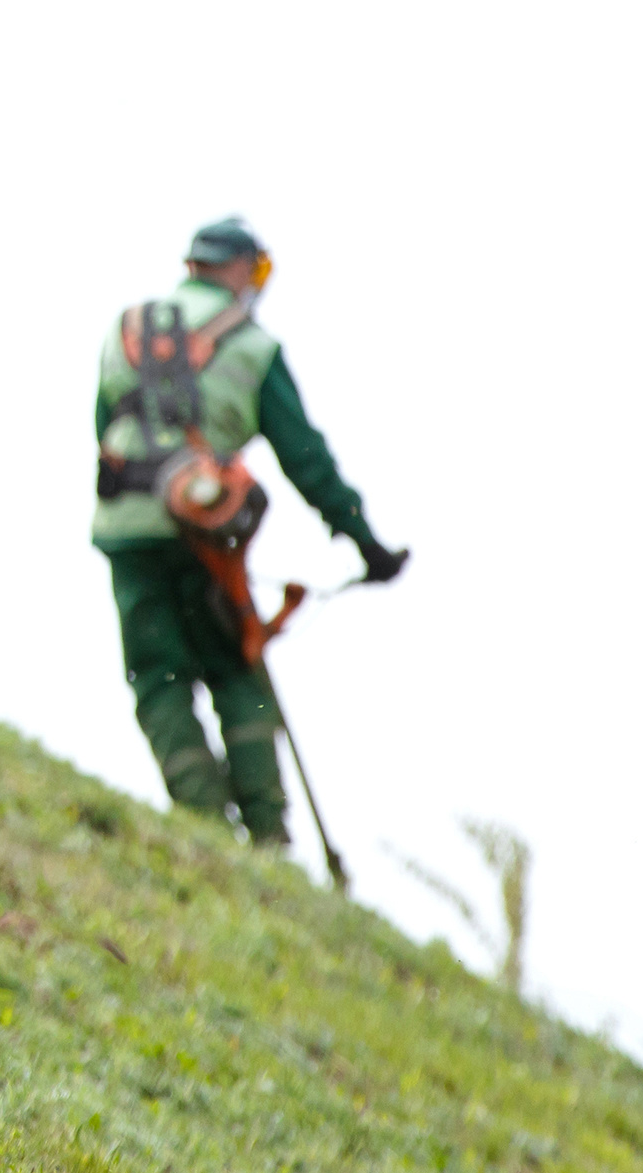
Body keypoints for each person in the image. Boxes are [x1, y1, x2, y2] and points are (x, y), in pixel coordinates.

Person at [91, 216, 409, 846]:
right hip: (206, 534)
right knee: (237, 674)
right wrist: (362, 540)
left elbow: (103, 426)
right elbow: (305, 456)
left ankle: (204, 820)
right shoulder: (254, 347)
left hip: (126, 525)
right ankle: (265, 835)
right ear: (238, 268)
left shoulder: (127, 328)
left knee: (157, 677)